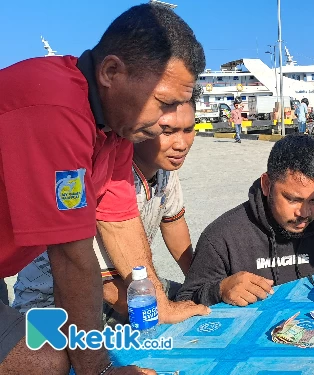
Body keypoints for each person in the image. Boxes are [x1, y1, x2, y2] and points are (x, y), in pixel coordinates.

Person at [0, 4, 208, 374]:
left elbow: (120, 220)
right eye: (164, 103)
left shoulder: (115, 127)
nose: (167, 123)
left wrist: (159, 303)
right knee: (44, 362)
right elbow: (71, 257)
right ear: (111, 71)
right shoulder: (56, 108)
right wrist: (100, 370)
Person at [12, 99, 200, 324]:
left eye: (188, 130)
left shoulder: (165, 171)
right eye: (167, 131)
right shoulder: (107, 174)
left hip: (121, 284)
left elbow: (173, 224)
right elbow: (106, 288)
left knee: (199, 300)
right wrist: (161, 311)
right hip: (56, 299)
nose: (181, 144)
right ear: (141, 128)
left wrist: (199, 282)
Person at [177, 134, 314, 307]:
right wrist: (220, 290)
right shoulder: (222, 236)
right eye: (293, 199)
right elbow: (185, 300)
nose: (304, 213)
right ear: (266, 185)